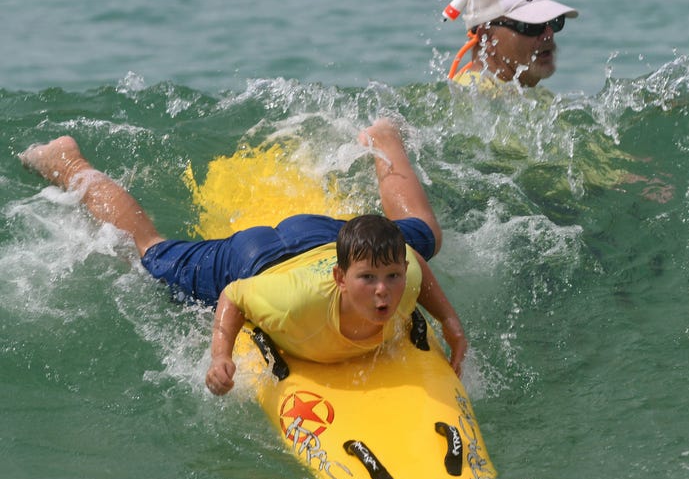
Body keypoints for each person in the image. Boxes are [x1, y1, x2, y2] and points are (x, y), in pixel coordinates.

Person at [19, 119, 469, 392]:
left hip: (325, 235)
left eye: (390, 278)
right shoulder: (295, 301)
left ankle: (383, 137)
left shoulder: (398, 275)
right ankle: (66, 161)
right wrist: (220, 356)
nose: (383, 291)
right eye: (369, 280)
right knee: (149, 255)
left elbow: (415, 260)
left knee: (425, 235)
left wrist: (449, 321)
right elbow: (234, 296)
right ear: (340, 278)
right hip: (255, 256)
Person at [443, 0, 578, 89]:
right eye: (532, 26)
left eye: (554, 22)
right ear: (487, 37)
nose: (548, 33)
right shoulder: (480, 97)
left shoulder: (506, 95)